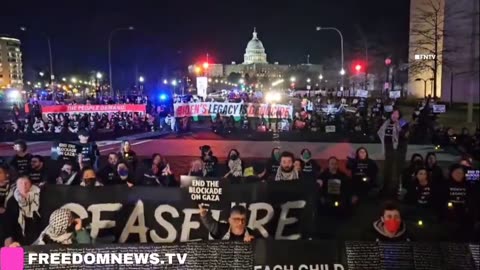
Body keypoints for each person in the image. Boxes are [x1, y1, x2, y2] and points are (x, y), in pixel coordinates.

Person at [378, 109, 409, 197]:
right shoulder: (387, 122)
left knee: (396, 170)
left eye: (397, 114)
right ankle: (385, 188)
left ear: (400, 115)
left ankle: (396, 190)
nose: (394, 115)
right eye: (393, 113)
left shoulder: (402, 122)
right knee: (387, 169)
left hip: (398, 150)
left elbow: (406, 135)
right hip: (388, 149)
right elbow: (381, 133)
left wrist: (399, 127)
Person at [13, 176, 41, 244]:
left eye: (26, 183)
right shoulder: (12, 200)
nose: (24, 185)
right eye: (20, 183)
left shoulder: (39, 196)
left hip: (35, 231)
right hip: (16, 233)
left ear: (31, 184)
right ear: (16, 185)